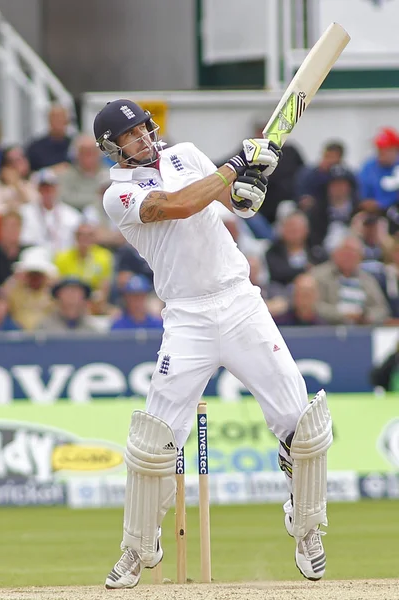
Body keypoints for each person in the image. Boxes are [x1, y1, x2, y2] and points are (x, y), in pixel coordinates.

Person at [93, 99, 333, 588]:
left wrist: (255, 175)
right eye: (130, 134)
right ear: (111, 148)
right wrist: (233, 165)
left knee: (303, 426)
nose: (141, 137)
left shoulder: (186, 154)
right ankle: (138, 548)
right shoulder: (117, 195)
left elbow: (238, 202)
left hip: (240, 302)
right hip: (187, 318)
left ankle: (306, 527)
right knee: (153, 442)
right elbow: (180, 206)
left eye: (143, 128)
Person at [310, 235, 390, 325]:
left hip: (362, 331)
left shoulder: (368, 279)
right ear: (335, 253)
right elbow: (311, 306)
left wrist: (366, 316)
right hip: (327, 329)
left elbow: (382, 309)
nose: (349, 257)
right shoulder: (318, 275)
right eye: (345, 252)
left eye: (354, 253)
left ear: (360, 258)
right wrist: (343, 314)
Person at [20, 168, 81, 257]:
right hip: (35, 259)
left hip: (63, 260)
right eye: (43, 188)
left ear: (57, 189)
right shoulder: (25, 213)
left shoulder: (72, 215)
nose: (47, 192)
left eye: (51, 188)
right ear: (38, 189)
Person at [26, 104, 73, 172]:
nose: (58, 121)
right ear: (49, 120)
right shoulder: (35, 148)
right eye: (55, 118)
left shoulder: (75, 144)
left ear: (67, 121)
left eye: (61, 117)